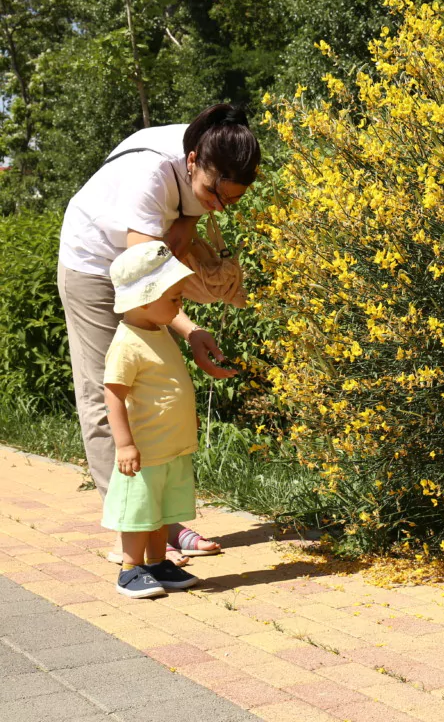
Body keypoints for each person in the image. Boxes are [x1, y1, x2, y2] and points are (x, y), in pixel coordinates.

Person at [58, 104, 259, 564]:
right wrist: (190, 331)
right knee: (106, 393)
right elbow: (145, 289)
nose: (219, 207)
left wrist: (189, 220)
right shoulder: (151, 175)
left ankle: (161, 524)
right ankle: (133, 532)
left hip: (142, 269)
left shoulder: (213, 154)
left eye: (230, 201)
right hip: (92, 263)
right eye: (213, 193)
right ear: (192, 162)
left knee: (157, 391)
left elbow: (177, 230)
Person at [103, 243, 205, 598]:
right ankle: (130, 569)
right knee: (140, 511)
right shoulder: (127, 343)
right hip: (145, 450)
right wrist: (125, 444)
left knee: (162, 511)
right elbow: (113, 394)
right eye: (174, 298)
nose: (180, 305)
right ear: (144, 299)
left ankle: (158, 562)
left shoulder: (157, 329)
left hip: (171, 446)